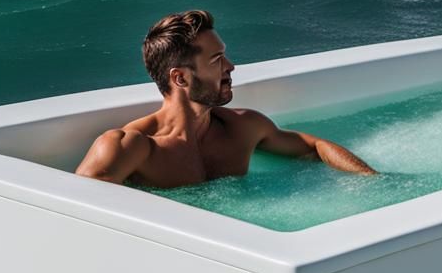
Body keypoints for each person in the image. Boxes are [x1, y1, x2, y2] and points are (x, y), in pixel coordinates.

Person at [75, 10, 377, 186]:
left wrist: (372, 180)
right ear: (180, 78)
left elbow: (315, 147)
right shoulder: (132, 146)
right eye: (216, 59)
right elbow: (75, 215)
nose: (230, 66)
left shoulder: (243, 127)